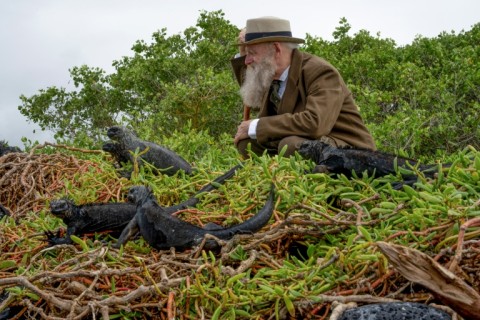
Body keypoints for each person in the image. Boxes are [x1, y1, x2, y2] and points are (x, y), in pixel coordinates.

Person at [231, 16, 376, 158]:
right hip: (300, 140)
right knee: (247, 144)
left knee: (290, 145)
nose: (248, 61)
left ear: (276, 49)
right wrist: (243, 53)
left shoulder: (320, 72)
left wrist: (256, 126)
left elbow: (315, 123)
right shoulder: (270, 72)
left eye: (252, 53)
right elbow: (252, 94)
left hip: (346, 146)